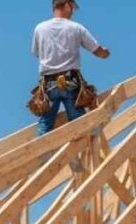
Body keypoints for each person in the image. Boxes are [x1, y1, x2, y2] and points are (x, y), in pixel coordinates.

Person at [32, 0, 110, 136]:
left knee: (45, 124)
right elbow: (97, 51)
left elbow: (37, 53)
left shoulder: (40, 28)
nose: (73, 11)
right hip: (70, 82)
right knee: (79, 123)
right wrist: (105, 53)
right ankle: (81, 152)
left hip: (48, 84)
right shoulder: (76, 28)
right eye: (72, 7)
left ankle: (44, 156)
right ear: (67, 5)